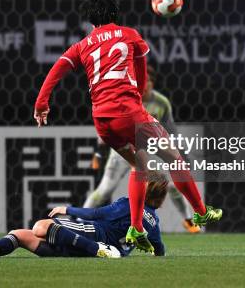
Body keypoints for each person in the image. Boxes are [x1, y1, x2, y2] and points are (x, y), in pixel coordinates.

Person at [33, 0, 221, 254]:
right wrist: (138, 101)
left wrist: (42, 104)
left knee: (139, 164)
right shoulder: (130, 34)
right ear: (115, 14)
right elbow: (142, 73)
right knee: (174, 158)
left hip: (102, 121)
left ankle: (136, 228)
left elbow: (57, 69)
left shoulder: (82, 45)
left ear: (91, 20)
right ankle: (201, 213)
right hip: (128, 112)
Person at [84, 65, 201, 233]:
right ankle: (80, 219)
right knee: (104, 190)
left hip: (151, 150)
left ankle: (188, 220)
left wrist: (182, 156)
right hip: (124, 151)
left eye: (147, 82)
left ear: (152, 83)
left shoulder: (161, 103)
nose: (144, 85)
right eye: (141, 81)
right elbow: (106, 129)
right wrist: (97, 155)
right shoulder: (123, 96)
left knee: (173, 184)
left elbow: (171, 131)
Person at [0, 176, 169, 259]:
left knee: (41, 226)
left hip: (97, 237)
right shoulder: (154, 223)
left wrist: (68, 209)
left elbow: (97, 213)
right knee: (20, 235)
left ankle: (99, 250)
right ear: (160, 199)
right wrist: (151, 248)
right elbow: (160, 250)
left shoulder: (129, 204)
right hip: (81, 246)